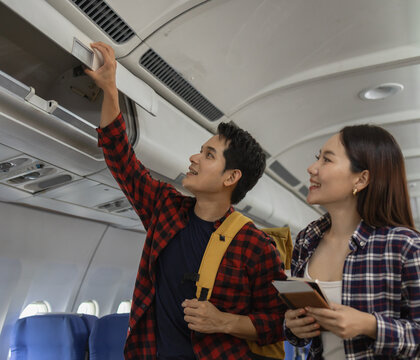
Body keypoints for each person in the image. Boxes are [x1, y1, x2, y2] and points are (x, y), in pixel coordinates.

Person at [85, 42, 286, 360]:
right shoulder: (165, 208)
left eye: (208, 155)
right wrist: (110, 88)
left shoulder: (256, 246)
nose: (194, 157)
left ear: (230, 178)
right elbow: (120, 157)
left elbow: (278, 323)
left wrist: (224, 321)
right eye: (200, 150)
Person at [284, 125, 420, 359]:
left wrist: (370, 325)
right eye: (318, 158)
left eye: (326, 160)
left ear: (361, 178)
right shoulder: (307, 240)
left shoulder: (403, 246)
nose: (312, 168)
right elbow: (300, 333)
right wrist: (294, 327)